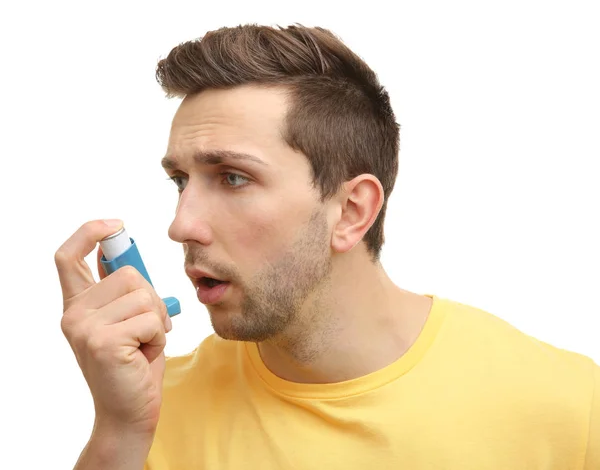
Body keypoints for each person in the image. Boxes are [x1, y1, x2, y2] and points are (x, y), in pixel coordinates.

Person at [55, 24, 599, 470]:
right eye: (181, 180)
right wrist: (118, 433)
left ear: (352, 211)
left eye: (233, 178)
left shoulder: (570, 411)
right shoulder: (149, 413)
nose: (182, 225)